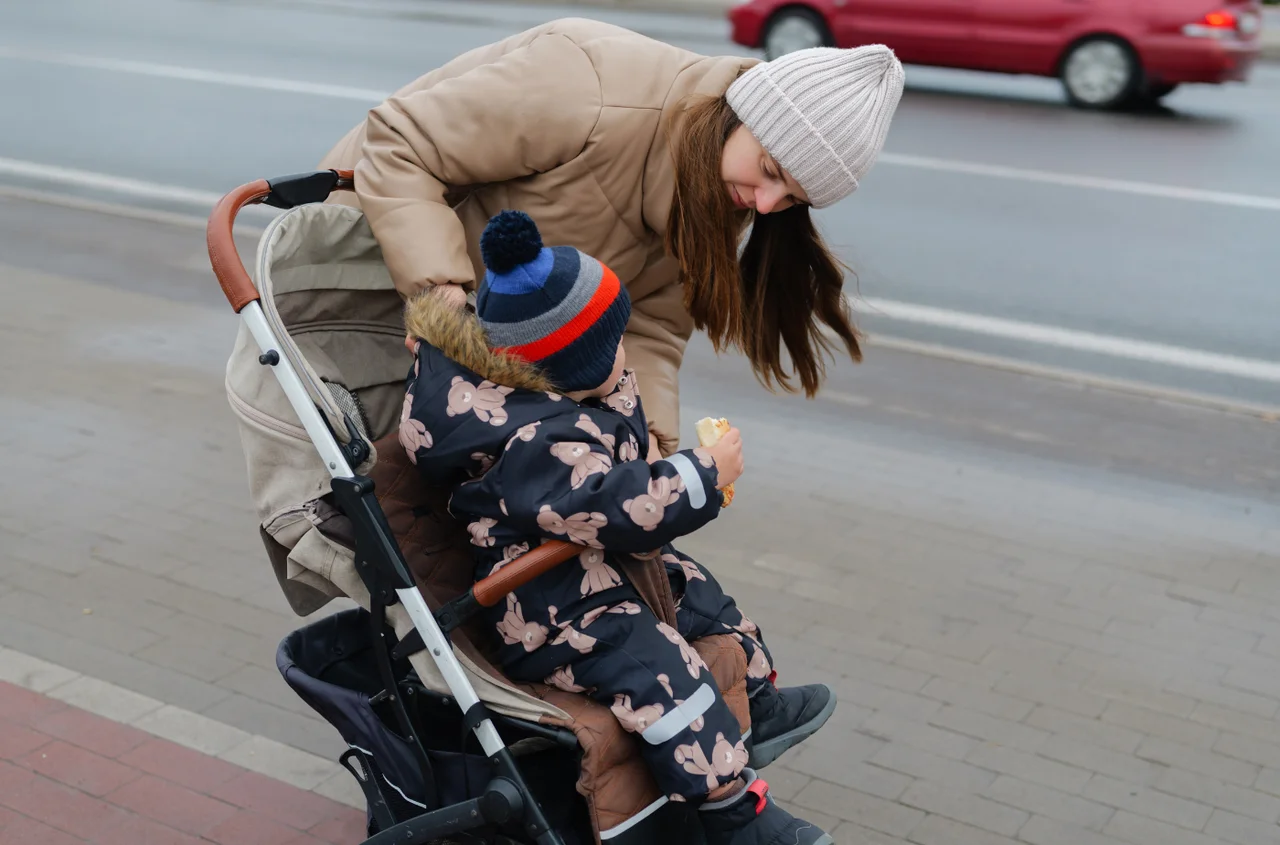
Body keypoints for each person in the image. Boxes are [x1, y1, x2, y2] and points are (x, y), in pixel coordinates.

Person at [398, 208, 835, 844]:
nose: (625, 353)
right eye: (614, 345)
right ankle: (733, 815)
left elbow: (608, 450)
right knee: (657, 669)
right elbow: (618, 505)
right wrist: (701, 475)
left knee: (697, 591)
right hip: (552, 609)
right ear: (566, 372)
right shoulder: (529, 440)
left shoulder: (560, 399)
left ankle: (756, 699)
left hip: (600, 570)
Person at [319, 17, 905, 461]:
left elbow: (647, 322)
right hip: (350, 279)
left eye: (795, 200)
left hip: (484, 350)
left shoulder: (729, 187)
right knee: (370, 522)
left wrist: (648, 435)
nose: (768, 205)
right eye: (774, 172)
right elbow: (399, 142)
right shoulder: (588, 87)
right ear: (743, 113)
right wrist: (441, 292)